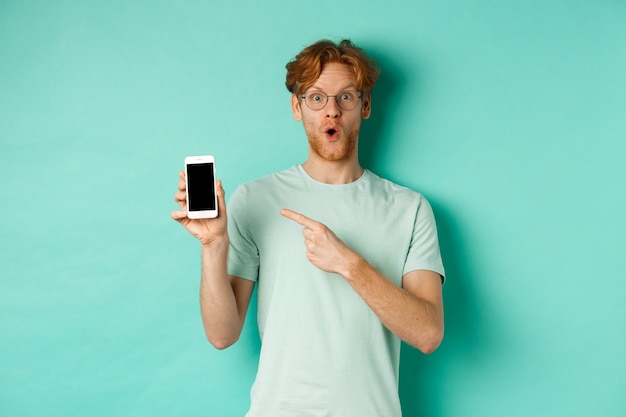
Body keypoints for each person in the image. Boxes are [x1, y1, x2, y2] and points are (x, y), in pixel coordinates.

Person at [171, 39, 445, 417]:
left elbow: (428, 333)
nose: (331, 111)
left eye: (345, 97)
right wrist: (213, 244)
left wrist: (350, 264)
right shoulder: (255, 198)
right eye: (316, 98)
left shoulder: (409, 208)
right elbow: (222, 334)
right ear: (297, 107)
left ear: (364, 106)